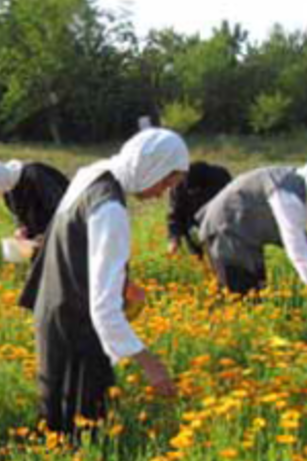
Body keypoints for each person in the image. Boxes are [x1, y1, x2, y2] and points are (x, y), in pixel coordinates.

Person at [19, 128, 189, 435]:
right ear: (149, 165)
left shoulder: (93, 175)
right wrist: (149, 363)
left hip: (54, 308)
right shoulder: (109, 207)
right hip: (77, 321)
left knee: (58, 411)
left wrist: (123, 280)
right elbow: (104, 309)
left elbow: (84, 246)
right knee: (82, 424)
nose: (162, 193)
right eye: (165, 180)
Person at [196, 157, 307, 325]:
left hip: (242, 235)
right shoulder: (285, 193)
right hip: (225, 230)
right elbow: (297, 249)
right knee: (242, 300)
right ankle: (224, 338)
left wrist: (302, 234)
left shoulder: (295, 181)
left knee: (254, 296)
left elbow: (274, 216)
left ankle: (230, 333)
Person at [0, 160, 69, 249]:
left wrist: (47, 234)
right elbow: (20, 218)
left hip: (67, 230)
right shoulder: (8, 191)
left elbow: (62, 209)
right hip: (41, 239)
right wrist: (21, 230)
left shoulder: (36, 175)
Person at [167, 161, 232, 258]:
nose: (193, 193)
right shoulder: (178, 187)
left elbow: (233, 204)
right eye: (191, 191)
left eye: (195, 190)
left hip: (223, 230)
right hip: (194, 232)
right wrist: (174, 239)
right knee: (200, 261)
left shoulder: (220, 178)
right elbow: (175, 216)